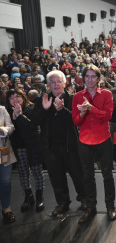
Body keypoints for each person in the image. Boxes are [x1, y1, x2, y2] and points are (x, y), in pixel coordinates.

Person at [32, 70, 85, 217]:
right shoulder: (42, 100)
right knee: (56, 176)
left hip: (70, 145)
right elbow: (34, 121)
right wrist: (44, 109)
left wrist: (62, 110)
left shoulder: (73, 98)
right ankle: (62, 203)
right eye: (52, 82)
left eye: (58, 81)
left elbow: (77, 121)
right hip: (50, 147)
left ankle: (84, 199)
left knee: (77, 174)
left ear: (64, 83)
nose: (56, 84)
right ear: (48, 85)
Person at [72, 65, 116, 224]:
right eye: (87, 76)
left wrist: (91, 108)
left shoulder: (106, 94)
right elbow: (76, 121)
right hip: (84, 139)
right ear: (83, 78)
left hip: (103, 138)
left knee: (107, 174)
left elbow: (107, 116)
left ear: (98, 78)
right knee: (87, 175)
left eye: (93, 76)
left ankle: (110, 206)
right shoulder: (77, 96)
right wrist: (83, 113)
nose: (90, 79)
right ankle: (91, 208)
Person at [6, 89, 45, 213]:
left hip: (33, 145)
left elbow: (32, 127)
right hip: (19, 146)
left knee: (37, 172)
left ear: (24, 97)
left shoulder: (31, 109)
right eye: (11, 97)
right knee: (23, 173)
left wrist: (19, 115)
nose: (15, 99)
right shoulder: (6, 112)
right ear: (8, 100)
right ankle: (28, 197)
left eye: (18, 96)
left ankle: (40, 197)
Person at [0, 105, 16, 223]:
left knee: (5, 182)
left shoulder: (1, 109)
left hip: (3, 151)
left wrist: (2, 130)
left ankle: (6, 209)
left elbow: (11, 127)